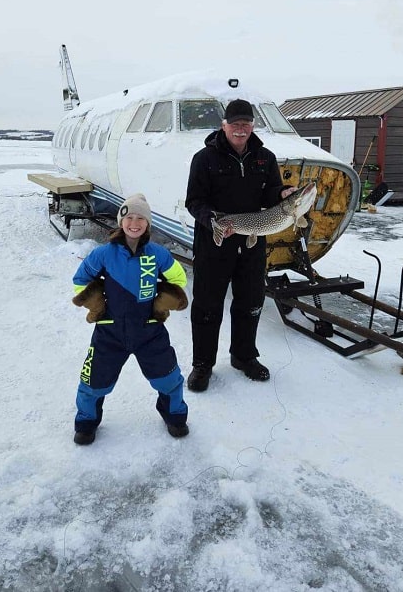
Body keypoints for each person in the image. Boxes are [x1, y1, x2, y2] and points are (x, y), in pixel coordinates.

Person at [185, 99, 296, 392]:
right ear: (224, 125)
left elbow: (269, 196)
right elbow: (194, 202)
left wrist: (282, 193)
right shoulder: (204, 158)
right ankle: (203, 364)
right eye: (235, 124)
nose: (240, 129)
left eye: (246, 124)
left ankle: (243, 356)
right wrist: (214, 222)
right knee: (207, 305)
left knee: (250, 302)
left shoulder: (265, 157)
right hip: (214, 242)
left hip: (251, 243)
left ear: (252, 126)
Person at [71, 193, 190, 445]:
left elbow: (178, 279)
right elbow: (80, 281)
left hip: (149, 331)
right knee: (93, 381)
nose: (134, 223)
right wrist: (96, 304)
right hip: (109, 331)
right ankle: (86, 421)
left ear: (147, 223)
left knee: (168, 377)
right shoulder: (103, 254)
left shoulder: (158, 254)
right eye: (129, 217)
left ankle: (175, 415)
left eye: (140, 218)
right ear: (120, 221)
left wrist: (163, 302)